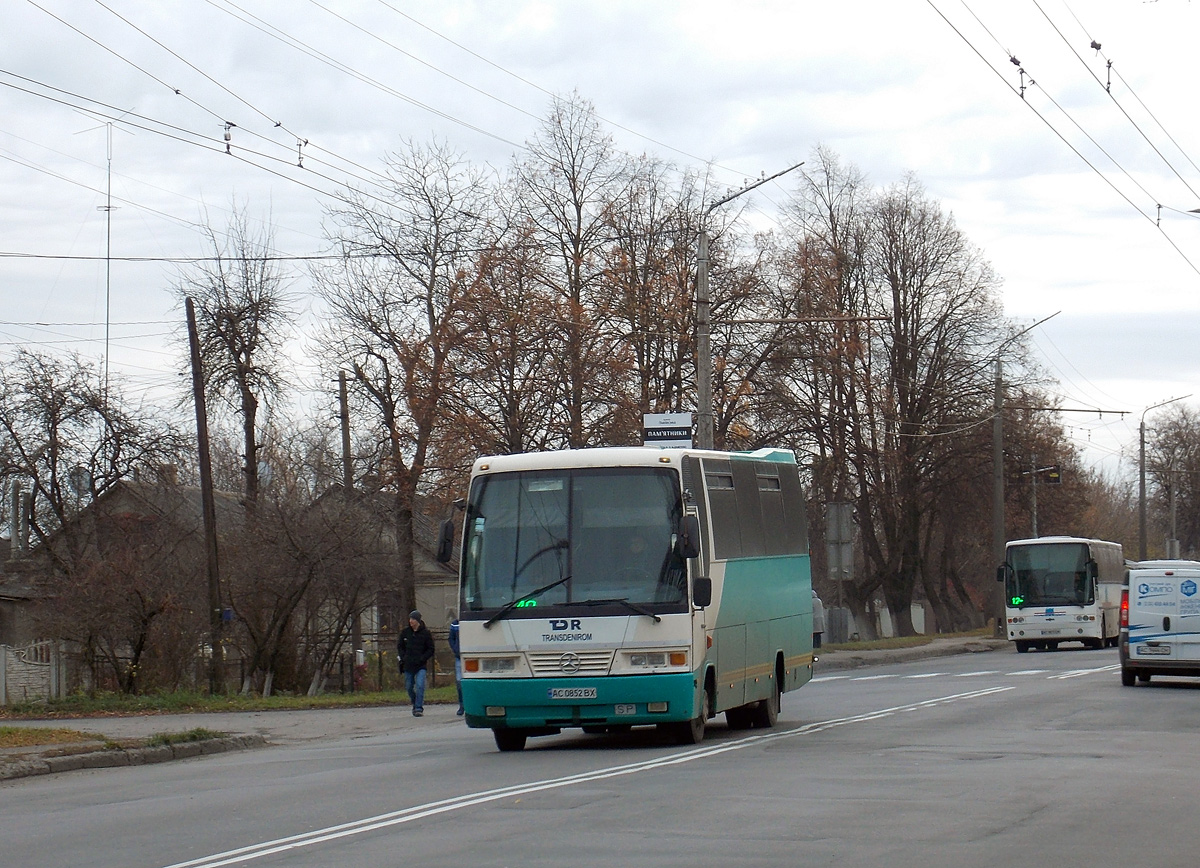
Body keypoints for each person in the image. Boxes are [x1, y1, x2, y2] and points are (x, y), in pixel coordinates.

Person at [397, 610, 435, 717]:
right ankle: (415, 702)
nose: (411, 621)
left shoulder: (426, 634)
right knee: (409, 686)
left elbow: (431, 649)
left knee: (420, 685)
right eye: (410, 619)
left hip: (420, 665)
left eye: (413, 619)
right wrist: (403, 657)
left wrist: (423, 658)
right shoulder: (405, 633)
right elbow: (400, 646)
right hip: (408, 665)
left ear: (418, 620)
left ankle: (419, 707)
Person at [447, 609, 463, 716]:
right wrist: (455, 649)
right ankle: (462, 705)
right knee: (459, 682)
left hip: (470, 655)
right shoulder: (455, 624)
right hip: (459, 657)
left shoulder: (470, 624)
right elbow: (451, 638)